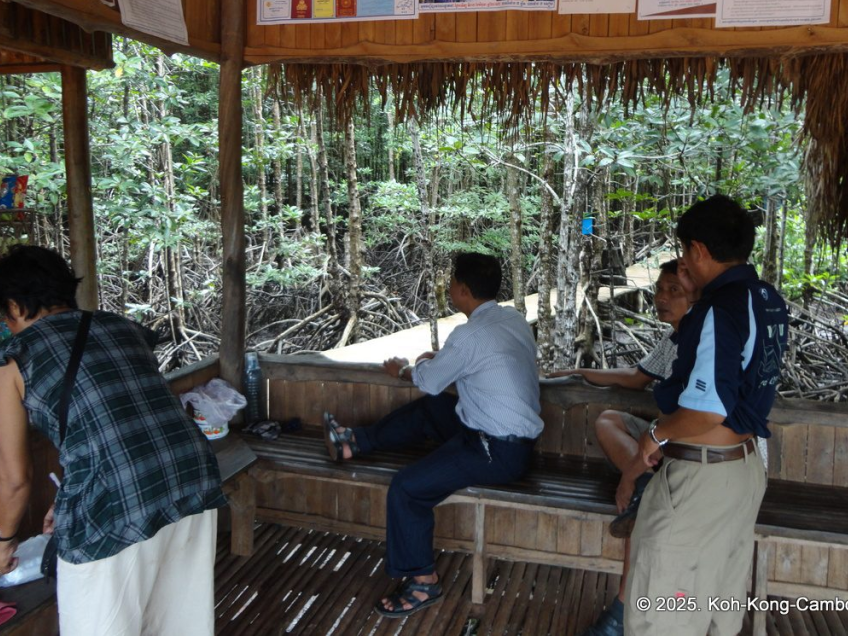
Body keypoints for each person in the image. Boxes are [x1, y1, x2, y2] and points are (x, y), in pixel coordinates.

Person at [0, 245, 224, 636]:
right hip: (191, 474)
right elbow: (115, 417)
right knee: (179, 622)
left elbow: (14, 477)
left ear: (13, 304)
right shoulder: (121, 327)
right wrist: (67, 499)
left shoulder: (12, 359)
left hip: (115, 501)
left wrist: (3, 541)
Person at [322, 253, 542, 619]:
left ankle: (423, 582)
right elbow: (474, 364)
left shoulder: (468, 334)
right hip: (502, 440)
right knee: (431, 412)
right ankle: (352, 442)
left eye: (452, 282)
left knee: (406, 489)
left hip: (494, 452)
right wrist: (438, 360)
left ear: (464, 290)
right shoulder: (512, 319)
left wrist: (409, 367)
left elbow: (429, 380)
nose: (449, 288)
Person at [625, 195, 788, 636]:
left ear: (697, 249)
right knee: (715, 602)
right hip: (743, 471)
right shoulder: (766, 299)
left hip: (701, 481)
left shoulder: (719, 309)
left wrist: (654, 434)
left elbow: (706, 409)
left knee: (664, 613)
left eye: (683, 253)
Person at [553, 262, 689, 636]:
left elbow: (694, 419)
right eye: (659, 289)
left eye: (674, 290)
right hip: (661, 444)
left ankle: (621, 615)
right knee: (608, 419)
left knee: (643, 513)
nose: (661, 298)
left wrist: (629, 474)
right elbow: (635, 377)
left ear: (698, 294)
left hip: (690, 449)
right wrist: (580, 373)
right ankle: (644, 482)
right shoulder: (674, 340)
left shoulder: (701, 345)